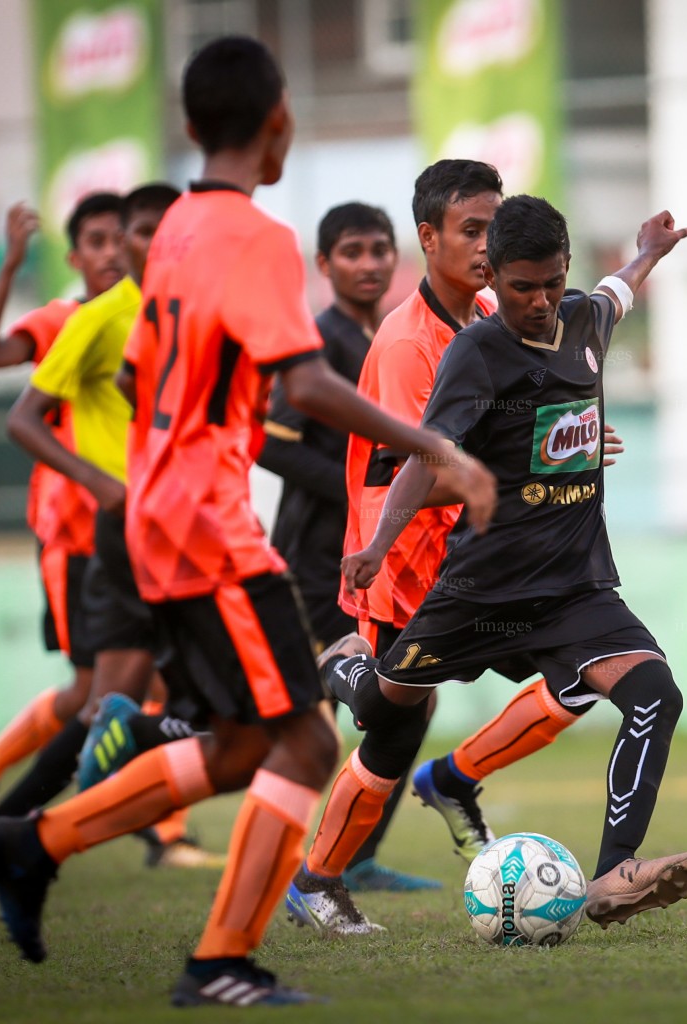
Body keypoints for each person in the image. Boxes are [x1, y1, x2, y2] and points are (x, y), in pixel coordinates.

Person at [0, 35, 494, 1008]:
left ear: (186, 125)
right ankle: (217, 959)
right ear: (282, 122)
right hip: (206, 523)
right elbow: (302, 380)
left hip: (156, 513)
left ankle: (28, 840)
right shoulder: (252, 237)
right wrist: (442, 452)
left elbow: (153, 374)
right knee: (303, 743)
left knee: (250, 744)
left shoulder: (168, 233)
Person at [314, 195, 687, 938]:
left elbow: (618, 289)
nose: (540, 301)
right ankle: (346, 664)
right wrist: (378, 546)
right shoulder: (477, 352)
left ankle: (615, 872)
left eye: (553, 282)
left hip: (574, 587)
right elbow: (425, 461)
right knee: (381, 712)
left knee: (655, 693)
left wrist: (649, 250)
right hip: (481, 589)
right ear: (495, 276)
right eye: (523, 286)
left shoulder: (586, 319)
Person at [0, 183, 216, 869]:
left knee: (109, 705)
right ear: (122, 244)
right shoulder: (99, 317)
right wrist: (100, 482)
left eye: (167, 230)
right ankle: (32, 826)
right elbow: (21, 416)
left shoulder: (188, 312)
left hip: (183, 528)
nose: (154, 245)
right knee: (198, 703)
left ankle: (4, 833)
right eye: (140, 232)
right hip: (124, 533)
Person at [256, 202, 436, 892]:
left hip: (378, 554)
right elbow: (269, 441)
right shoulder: (321, 342)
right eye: (352, 253)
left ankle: (352, 858)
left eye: (379, 250)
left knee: (404, 696)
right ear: (324, 265)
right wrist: (364, 488)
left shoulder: (396, 336)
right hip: (317, 555)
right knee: (331, 707)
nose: (370, 264)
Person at [0, 193, 123, 842]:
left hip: (136, 530)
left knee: (132, 686)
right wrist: (9, 266)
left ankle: (16, 823)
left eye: (119, 237)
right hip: (75, 531)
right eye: (95, 241)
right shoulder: (64, 319)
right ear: (75, 257)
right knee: (95, 691)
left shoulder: (146, 319)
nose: (110, 251)